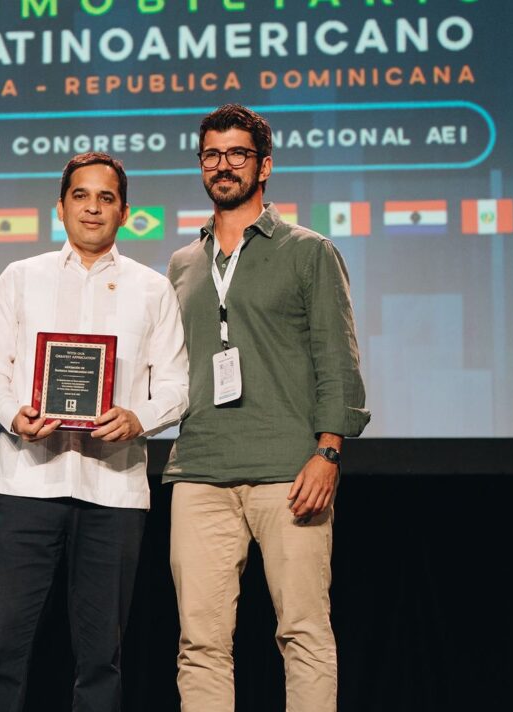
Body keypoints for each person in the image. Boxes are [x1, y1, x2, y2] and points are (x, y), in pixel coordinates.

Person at [164, 104, 370, 712]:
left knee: (303, 633)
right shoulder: (183, 263)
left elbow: (338, 359)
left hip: (289, 470)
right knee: (200, 643)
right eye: (211, 155)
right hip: (200, 469)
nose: (223, 165)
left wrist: (328, 453)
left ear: (265, 166)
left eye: (238, 154)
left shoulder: (309, 251)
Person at [0, 152, 189, 712]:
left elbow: (176, 385)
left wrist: (139, 418)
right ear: (61, 206)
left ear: (125, 212)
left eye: (106, 197)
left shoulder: (152, 288)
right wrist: (13, 414)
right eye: (81, 196)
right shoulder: (21, 278)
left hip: (113, 493)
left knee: (100, 661)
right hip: (25, 486)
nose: (93, 208)